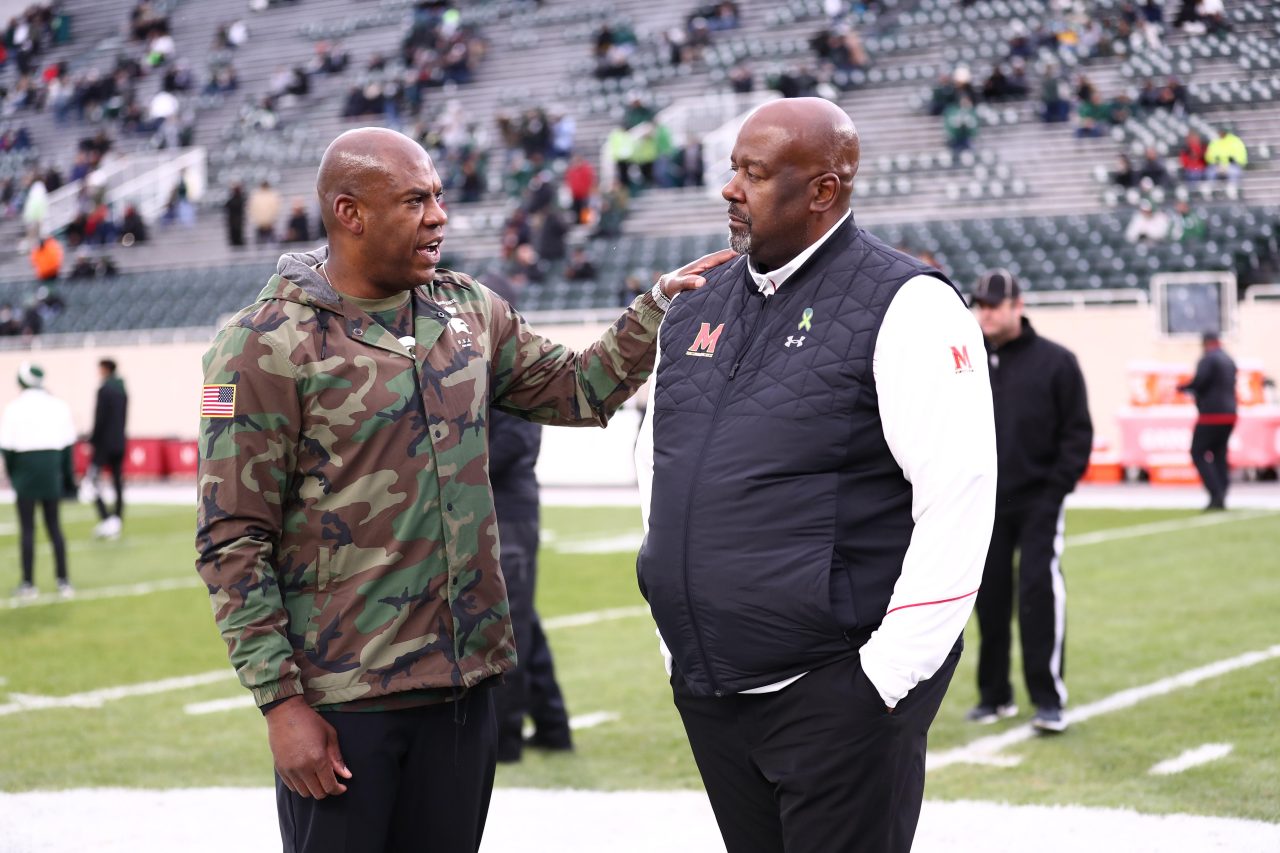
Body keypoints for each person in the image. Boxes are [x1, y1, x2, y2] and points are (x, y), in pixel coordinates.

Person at [194, 126, 733, 853]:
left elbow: (578, 388)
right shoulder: (264, 342)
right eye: (416, 200)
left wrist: (659, 306)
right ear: (350, 213)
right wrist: (280, 701)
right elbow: (232, 536)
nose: (439, 216)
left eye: (439, 197)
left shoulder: (467, 310)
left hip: (464, 690)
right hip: (347, 701)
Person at [633, 98, 996, 853]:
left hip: (837, 689)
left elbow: (958, 499)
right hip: (711, 687)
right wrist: (675, 641)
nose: (731, 189)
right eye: (733, 169)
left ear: (824, 191)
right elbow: (656, 468)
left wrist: (882, 681)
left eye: (755, 173)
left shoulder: (910, 303)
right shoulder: (695, 304)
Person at [968, 268, 1093, 733]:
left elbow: (1077, 433)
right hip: (985, 503)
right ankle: (993, 695)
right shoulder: (966, 362)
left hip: (1040, 499)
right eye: (980, 305)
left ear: (1018, 306)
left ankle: (1048, 699)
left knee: (1039, 595)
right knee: (989, 600)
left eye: (994, 305)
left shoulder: (1057, 362)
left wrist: (1056, 489)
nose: (986, 313)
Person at [486, 278, 573, 764]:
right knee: (524, 621)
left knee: (510, 625)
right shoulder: (490, 364)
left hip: (509, 510)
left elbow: (512, 448)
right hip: (503, 506)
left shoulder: (510, 367)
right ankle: (554, 726)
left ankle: (505, 740)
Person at [0, 363, 76, 600]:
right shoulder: (58, 405)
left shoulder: (13, 408)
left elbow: (7, 449)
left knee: (27, 529)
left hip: (25, 471)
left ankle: (28, 583)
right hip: (51, 470)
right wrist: (67, 479)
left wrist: (14, 476)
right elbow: (67, 447)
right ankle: (63, 581)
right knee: (54, 527)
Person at [1177, 333, 1237, 510]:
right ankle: (1222, 491)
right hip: (1230, 414)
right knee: (1219, 454)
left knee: (1198, 452)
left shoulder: (1208, 359)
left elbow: (1200, 382)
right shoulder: (1228, 359)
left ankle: (1215, 492)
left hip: (1212, 415)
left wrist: (1183, 388)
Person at [86, 358, 128, 539]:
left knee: (91, 481)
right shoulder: (122, 390)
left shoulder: (105, 390)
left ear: (105, 369)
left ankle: (106, 519)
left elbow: (100, 419)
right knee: (117, 482)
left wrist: (93, 440)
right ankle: (117, 519)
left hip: (104, 444)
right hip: (119, 442)